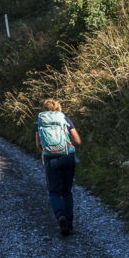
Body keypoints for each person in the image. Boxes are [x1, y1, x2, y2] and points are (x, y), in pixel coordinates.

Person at [36, 99, 82, 236]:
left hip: (51, 158)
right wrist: (68, 143)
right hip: (68, 156)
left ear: (44, 108)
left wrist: (47, 150)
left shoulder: (40, 122)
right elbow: (78, 141)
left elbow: (38, 144)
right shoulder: (65, 119)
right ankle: (69, 222)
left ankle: (60, 216)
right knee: (67, 191)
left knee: (54, 191)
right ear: (59, 108)